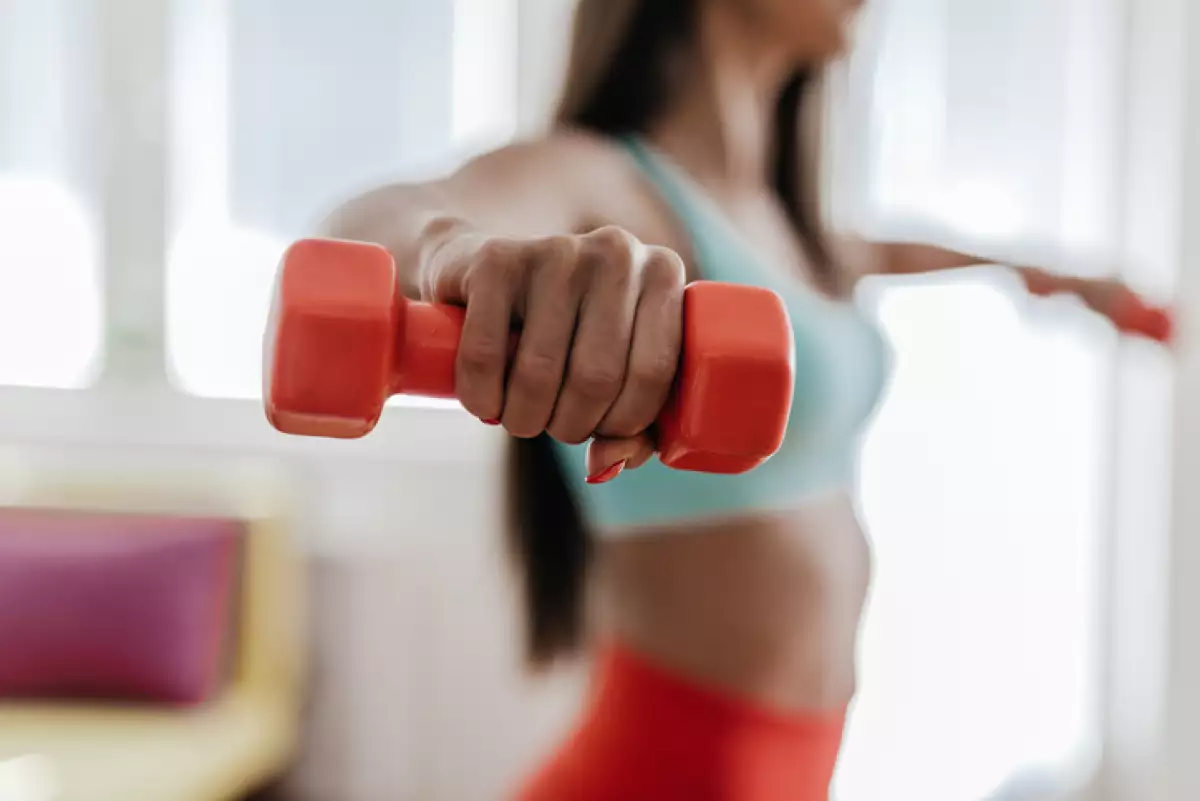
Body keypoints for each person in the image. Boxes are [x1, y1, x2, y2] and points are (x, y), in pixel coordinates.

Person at [320, 1, 1155, 798]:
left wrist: (1050, 274)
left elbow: (888, 245)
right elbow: (377, 221)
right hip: (664, 770)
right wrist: (449, 251)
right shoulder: (605, 180)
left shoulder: (783, 219)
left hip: (801, 761)